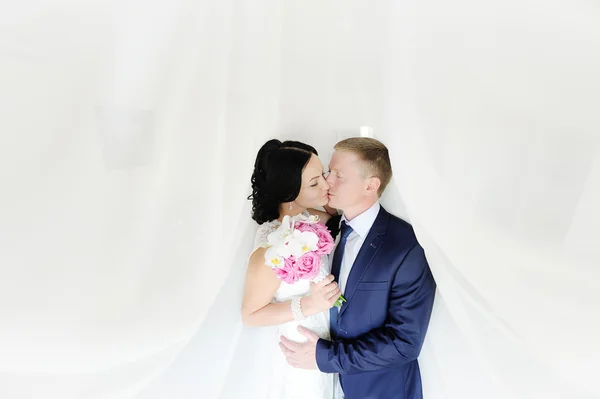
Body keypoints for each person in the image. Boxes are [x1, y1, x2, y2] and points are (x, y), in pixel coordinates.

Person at [280, 137, 437, 399]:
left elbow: (405, 343)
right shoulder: (325, 232)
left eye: (338, 175)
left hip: (381, 391)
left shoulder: (405, 247)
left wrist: (325, 357)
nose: (327, 181)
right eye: (329, 172)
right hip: (322, 387)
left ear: (371, 185)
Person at [241, 139, 340, 399]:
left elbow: (339, 224)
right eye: (314, 182)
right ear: (288, 193)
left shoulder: (315, 218)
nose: (326, 184)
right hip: (299, 355)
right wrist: (308, 305)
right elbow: (251, 314)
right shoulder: (270, 245)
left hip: (331, 352)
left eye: (323, 175)